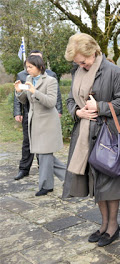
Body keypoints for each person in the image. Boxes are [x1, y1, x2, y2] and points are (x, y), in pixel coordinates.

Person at [62, 33, 120, 247]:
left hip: (108, 135)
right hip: (85, 135)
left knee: (110, 182)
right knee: (96, 184)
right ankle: (103, 225)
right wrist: (77, 112)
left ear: (93, 51)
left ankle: (113, 226)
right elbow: (69, 99)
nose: (80, 65)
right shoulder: (77, 71)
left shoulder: (113, 71)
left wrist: (99, 107)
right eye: (77, 63)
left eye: (83, 61)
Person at [14, 55, 66, 196]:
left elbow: (51, 102)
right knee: (44, 155)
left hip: (48, 123)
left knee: (44, 155)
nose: (28, 70)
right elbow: (25, 100)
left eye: (30, 67)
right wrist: (19, 92)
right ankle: (70, 179)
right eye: (27, 67)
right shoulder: (29, 79)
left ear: (39, 66)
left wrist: (34, 91)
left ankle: (50, 184)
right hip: (34, 123)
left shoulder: (51, 80)